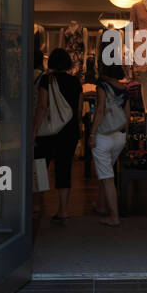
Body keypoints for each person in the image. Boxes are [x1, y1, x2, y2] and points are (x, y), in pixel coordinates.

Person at [33, 47, 83, 224]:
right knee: (64, 168)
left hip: (47, 131)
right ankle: (63, 209)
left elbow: (42, 106)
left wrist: (34, 130)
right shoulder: (76, 82)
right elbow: (78, 109)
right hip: (69, 132)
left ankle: (37, 204)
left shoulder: (47, 79)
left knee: (40, 166)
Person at [90, 62, 130, 227]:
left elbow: (100, 110)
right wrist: (126, 135)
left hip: (103, 135)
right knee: (105, 171)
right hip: (119, 136)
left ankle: (114, 216)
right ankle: (101, 205)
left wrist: (92, 133)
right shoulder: (125, 89)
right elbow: (127, 115)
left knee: (107, 177)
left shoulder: (102, 86)